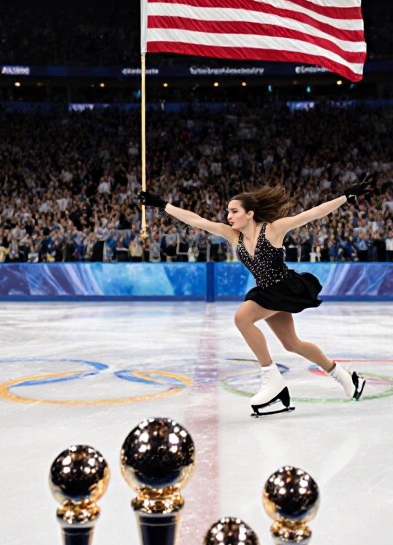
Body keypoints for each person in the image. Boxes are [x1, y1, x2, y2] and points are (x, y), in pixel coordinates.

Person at [138, 175, 374, 417]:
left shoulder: (273, 229)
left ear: (249, 214)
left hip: (284, 288)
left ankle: (272, 380)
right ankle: (346, 377)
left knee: (243, 318)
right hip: (267, 291)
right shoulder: (233, 235)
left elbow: (312, 214)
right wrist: (162, 204)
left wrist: (345, 197)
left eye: (234, 211)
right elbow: (196, 220)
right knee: (292, 344)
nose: (228, 216)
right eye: (227, 211)